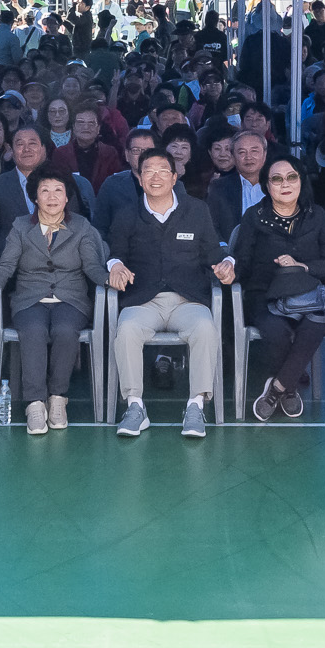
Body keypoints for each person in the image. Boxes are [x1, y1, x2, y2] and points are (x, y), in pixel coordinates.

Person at [106, 145, 236, 440]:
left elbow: (214, 254)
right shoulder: (128, 213)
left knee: (205, 327)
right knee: (125, 330)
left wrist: (227, 265)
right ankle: (135, 406)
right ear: (139, 178)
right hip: (143, 300)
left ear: (175, 176)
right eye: (148, 170)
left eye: (163, 170)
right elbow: (115, 253)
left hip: (187, 299)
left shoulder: (197, 210)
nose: (156, 177)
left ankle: (195, 405)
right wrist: (115, 266)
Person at [0, 163, 110, 435]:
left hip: (71, 298)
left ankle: (57, 398)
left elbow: (91, 266)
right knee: (33, 330)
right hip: (30, 298)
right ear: (35, 196)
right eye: (45, 191)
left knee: (66, 331)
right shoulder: (20, 226)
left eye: (58, 191)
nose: (52, 197)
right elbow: (6, 265)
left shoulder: (82, 226)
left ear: (67, 197)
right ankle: (34, 403)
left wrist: (110, 278)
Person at [231, 153, 325, 422]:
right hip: (264, 293)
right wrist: (229, 270)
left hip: (307, 295)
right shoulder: (254, 217)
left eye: (291, 177)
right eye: (277, 179)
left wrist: (302, 267)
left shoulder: (317, 216)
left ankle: (276, 389)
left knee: (313, 327)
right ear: (266, 186)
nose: (285, 184)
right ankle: (290, 389)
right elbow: (242, 262)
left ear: (301, 181)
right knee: (275, 329)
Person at [0, 124, 93, 234]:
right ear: (12, 151)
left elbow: (74, 225)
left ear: (44, 148)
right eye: (20, 144)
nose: (26, 149)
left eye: (32, 143)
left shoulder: (62, 180)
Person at [209, 128, 273, 238]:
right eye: (242, 152)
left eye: (254, 151)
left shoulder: (279, 185)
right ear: (233, 157)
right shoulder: (219, 187)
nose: (248, 157)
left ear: (265, 154)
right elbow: (212, 227)